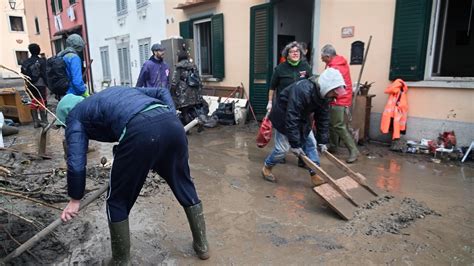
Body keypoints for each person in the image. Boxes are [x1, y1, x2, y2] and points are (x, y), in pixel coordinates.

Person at [57, 86, 210, 263]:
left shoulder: (74, 117)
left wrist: (75, 199)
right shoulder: (111, 93)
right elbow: (161, 91)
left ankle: (121, 261)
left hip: (140, 132)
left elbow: (76, 162)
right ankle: (202, 246)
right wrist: (171, 117)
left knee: (116, 201)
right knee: (184, 184)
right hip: (172, 125)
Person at [261, 68, 348, 185]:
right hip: (283, 117)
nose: (336, 96)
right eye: (335, 92)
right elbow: (292, 116)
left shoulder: (325, 96)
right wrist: (295, 144)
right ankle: (267, 167)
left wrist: (322, 141)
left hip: (302, 117)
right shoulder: (302, 90)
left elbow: (323, 119)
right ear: (328, 86)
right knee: (282, 150)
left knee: (311, 145)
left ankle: (315, 174)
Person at [321, 44, 360, 163]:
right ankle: (333, 146)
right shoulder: (337, 63)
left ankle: (354, 151)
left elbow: (329, 84)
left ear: (328, 56)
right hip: (339, 98)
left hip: (339, 99)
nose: (321, 59)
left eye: (322, 57)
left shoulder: (335, 68)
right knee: (332, 124)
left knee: (338, 125)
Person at [267, 41, 312, 113]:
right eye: (292, 52)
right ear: (287, 55)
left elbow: (311, 84)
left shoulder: (305, 66)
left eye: (297, 51)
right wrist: (270, 102)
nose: (295, 53)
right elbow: (272, 87)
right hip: (284, 104)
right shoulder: (280, 68)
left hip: (301, 104)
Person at [170, 48, 206, 125]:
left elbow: (174, 81)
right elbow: (198, 79)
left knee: (185, 112)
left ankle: (188, 130)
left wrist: (172, 91)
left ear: (179, 57)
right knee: (196, 110)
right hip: (195, 93)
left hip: (184, 94)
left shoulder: (179, 67)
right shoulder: (193, 66)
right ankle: (200, 125)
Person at [21, 43, 48, 128]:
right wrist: (48, 84)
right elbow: (44, 74)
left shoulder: (26, 62)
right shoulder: (42, 61)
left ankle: (36, 122)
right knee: (42, 102)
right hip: (40, 84)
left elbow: (23, 73)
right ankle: (44, 121)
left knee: (33, 101)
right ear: (38, 50)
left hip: (30, 85)